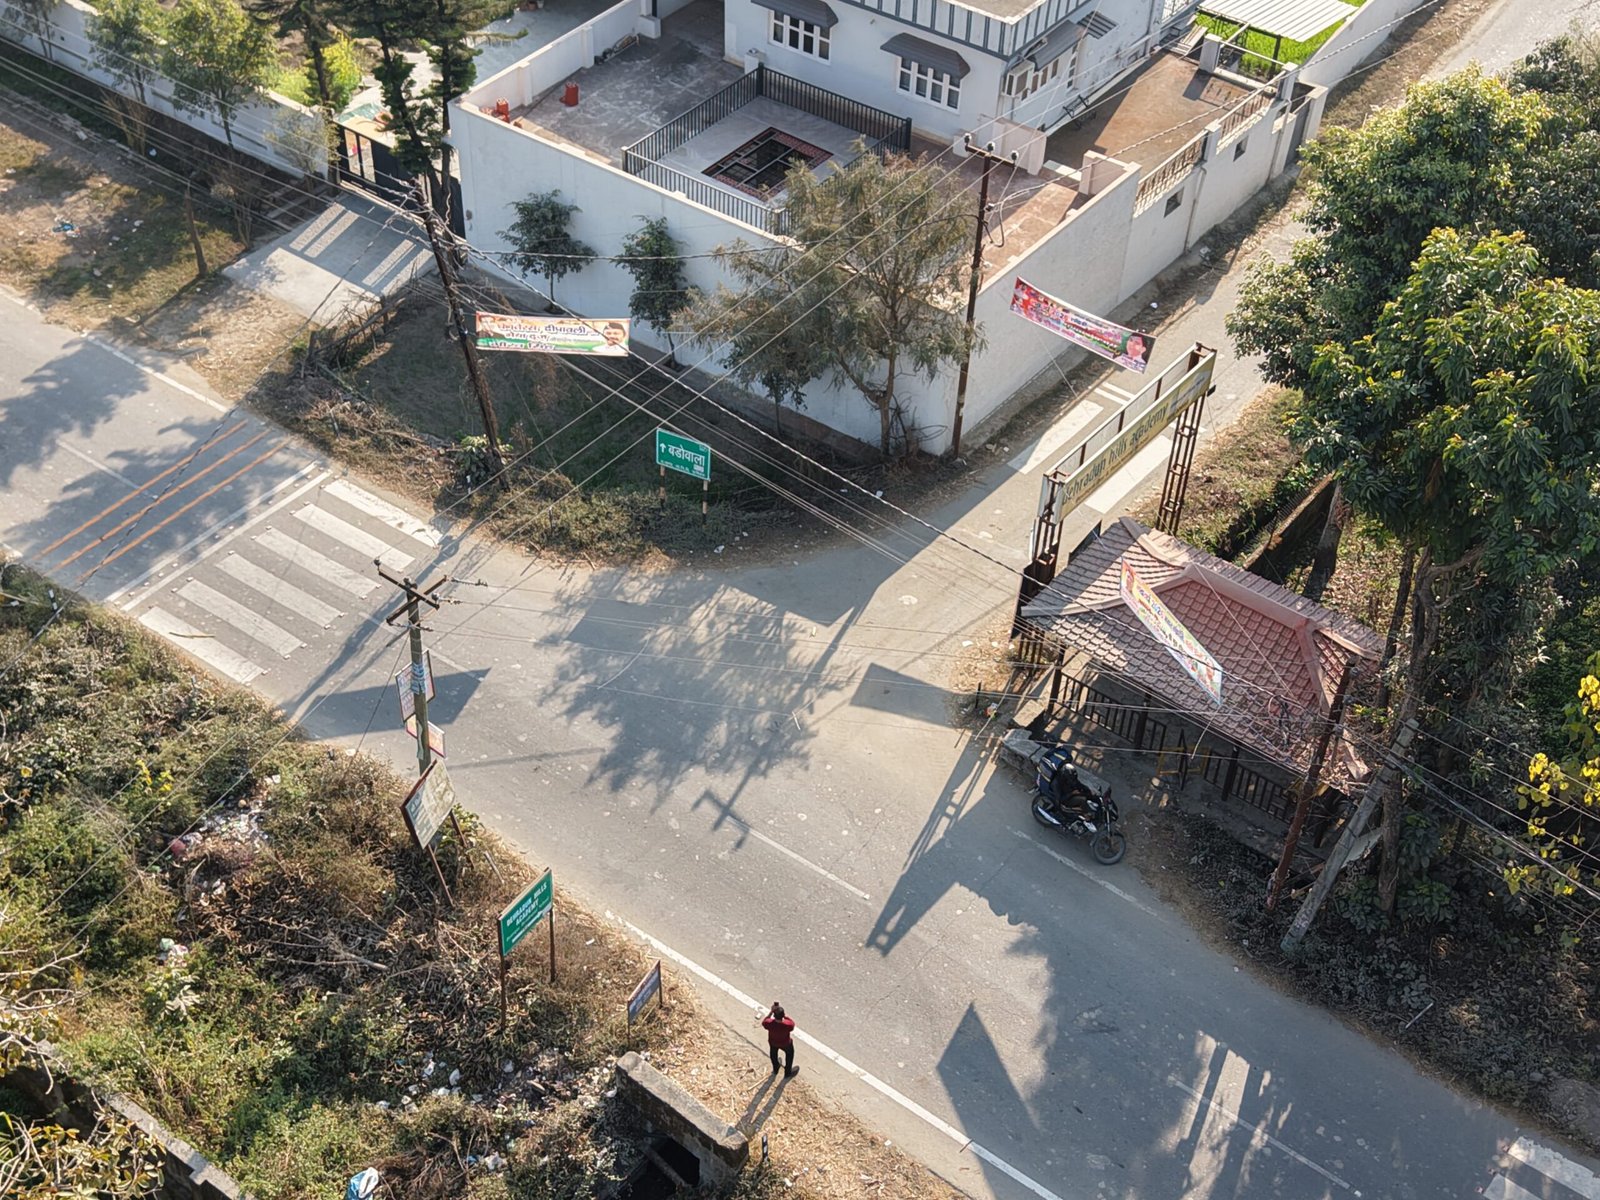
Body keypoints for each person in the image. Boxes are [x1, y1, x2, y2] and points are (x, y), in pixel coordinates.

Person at [760, 1001, 798, 1077]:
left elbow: (764, 1021)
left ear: (774, 1015)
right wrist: (785, 1016)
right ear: (782, 1015)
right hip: (786, 1043)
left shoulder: (769, 1023)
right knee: (789, 1055)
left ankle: (776, 1068)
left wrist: (771, 1011)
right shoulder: (788, 1025)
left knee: (773, 1054)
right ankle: (787, 1072)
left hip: (773, 1042)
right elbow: (792, 1023)